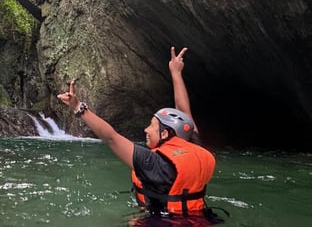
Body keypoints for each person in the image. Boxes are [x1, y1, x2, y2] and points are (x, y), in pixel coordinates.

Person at [57, 46, 216, 217]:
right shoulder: (196, 147)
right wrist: (176, 73)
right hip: (202, 220)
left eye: (152, 126)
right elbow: (185, 115)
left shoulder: (153, 163)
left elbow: (111, 138)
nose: (146, 129)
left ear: (164, 134)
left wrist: (79, 107)